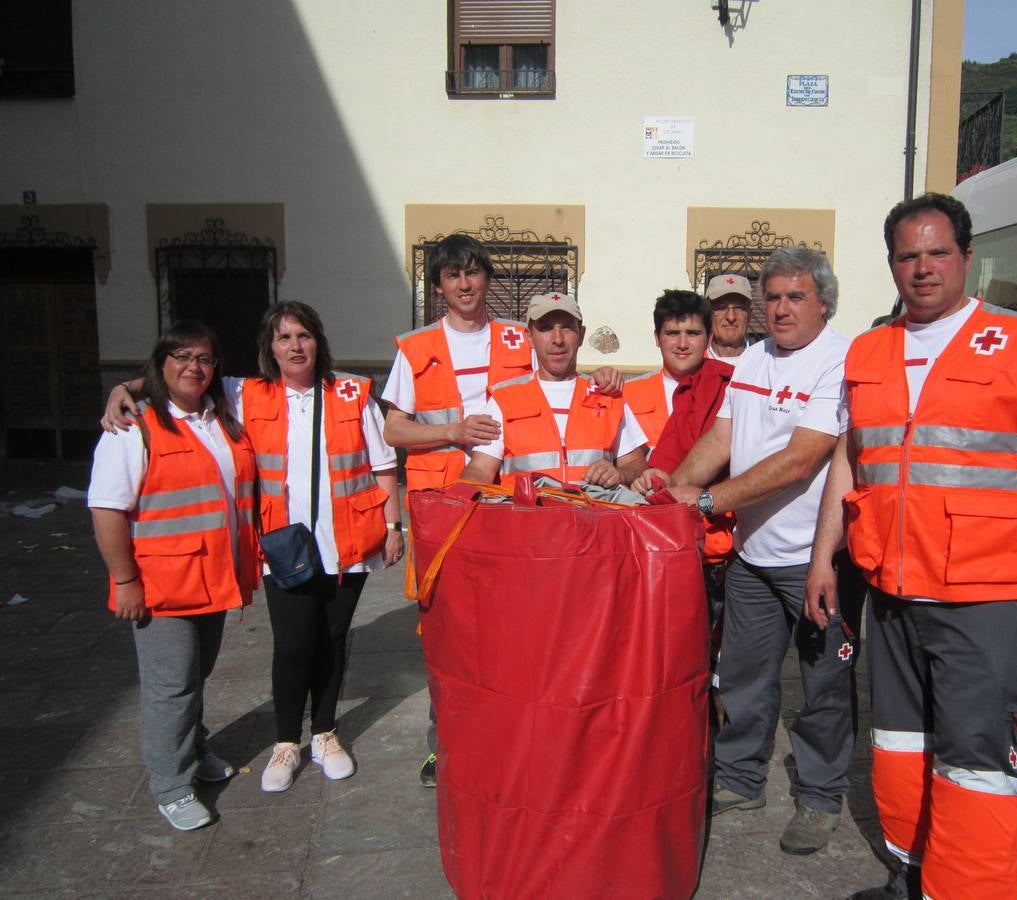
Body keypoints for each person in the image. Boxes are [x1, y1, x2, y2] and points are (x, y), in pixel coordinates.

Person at [805, 193, 1017, 900]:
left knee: (976, 760)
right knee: (900, 747)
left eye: (937, 252)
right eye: (908, 255)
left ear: (966, 257)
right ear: (893, 265)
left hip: (985, 595)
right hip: (894, 591)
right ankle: (915, 876)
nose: (923, 268)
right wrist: (822, 557)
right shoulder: (869, 350)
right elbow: (851, 456)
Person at [103, 302, 405, 795]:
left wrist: (394, 526)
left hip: (349, 541)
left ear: (318, 341)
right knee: (291, 646)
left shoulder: (351, 393)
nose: (294, 346)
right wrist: (126, 387)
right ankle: (287, 741)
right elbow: (183, 379)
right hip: (285, 547)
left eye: (303, 335)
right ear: (269, 347)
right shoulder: (244, 392)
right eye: (283, 338)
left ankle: (325, 733)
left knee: (331, 642)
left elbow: (384, 465)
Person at [634, 247, 864, 858]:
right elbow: (724, 435)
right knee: (743, 678)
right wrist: (675, 484)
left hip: (816, 556)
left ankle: (819, 795)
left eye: (795, 296)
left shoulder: (838, 360)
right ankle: (740, 779)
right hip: (753, 555)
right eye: (774, 296)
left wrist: (705, 502)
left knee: (824, 687)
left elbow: (802, 459)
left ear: (823, 302)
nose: (780, 308)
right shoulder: (758, 358)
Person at [382, 235, 621, 786]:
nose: (464, 285)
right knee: (450, 630)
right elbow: (393, 429)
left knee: (512, 636)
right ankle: (444, 744)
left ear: (487, 279)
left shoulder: (518, 334)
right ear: (437, 286)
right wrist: (452, 431)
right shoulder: (416, 347)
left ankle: (516, 738)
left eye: (473, 273)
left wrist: (605, 376)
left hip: (509, 511)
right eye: (451, 276)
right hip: (446, 503)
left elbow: (557, 376)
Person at [90, 321, 258, 831]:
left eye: (204, 359)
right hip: (161, 585)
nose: (194, 368)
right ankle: (171, 784)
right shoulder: (134, 427)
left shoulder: (218, 416)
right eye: (182, 357)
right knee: (171, 686)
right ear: (160, 364)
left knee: (195, 674)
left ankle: (193, 747)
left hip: (211, 575)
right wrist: (124, 581)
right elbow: (106, 509)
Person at [458, 291, 648, 489]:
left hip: (592, 518)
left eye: (566, 328)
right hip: (529, 518)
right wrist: (461, 499)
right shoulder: (505, 399)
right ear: (529, 337)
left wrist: (619, 473)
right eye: (546, 328)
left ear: (581, 335)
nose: (558, 339)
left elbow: (637, 465)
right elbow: (480, 470)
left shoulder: (607, 396)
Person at [624, 289, 735, 622]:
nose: (682, 343)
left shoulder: (731, 387)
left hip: (713, 546)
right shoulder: (627, 394)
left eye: (693, 333)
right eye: (672, 333)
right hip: (648, 542)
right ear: (657, 338)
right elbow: (621, 462)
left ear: (709, 337)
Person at [705, 272, 754, 360]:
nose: (731, 317)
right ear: (708, 313)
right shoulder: (693, 364)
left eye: (738, 308)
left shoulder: (763, 361)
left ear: (749, 314)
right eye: (722, 307)